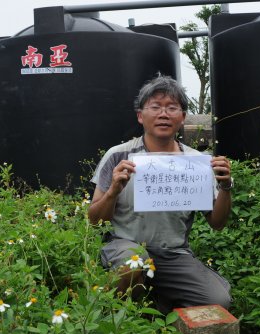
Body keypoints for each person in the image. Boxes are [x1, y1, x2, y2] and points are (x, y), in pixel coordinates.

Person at [88, 74, 233, 314]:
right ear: (140, 116)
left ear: (183, 117)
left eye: (172, 108)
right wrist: (113, 191)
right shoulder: (118, 156)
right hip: (126, 245)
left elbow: (217, 223)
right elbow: (94, 221)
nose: (164, 114)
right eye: (155, 107)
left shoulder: (197, 163)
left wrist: (226, 186)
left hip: (173, 253)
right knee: (131, 266)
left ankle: (157, 299)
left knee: (218, 301)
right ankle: (124, 316)